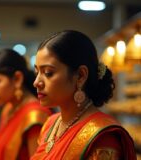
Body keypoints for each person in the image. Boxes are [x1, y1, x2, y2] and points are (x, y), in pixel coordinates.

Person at [31, 30, 136, 160]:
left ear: (80, 76)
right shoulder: (50, 124)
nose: (36, 83)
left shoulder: (102, 137)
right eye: (37, 73)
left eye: (48, 73)